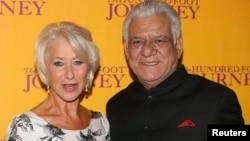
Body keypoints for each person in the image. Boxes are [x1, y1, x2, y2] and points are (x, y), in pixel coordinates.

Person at [106, 0, 244, 141]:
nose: (147, 50)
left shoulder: (217, 100)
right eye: (137, 41)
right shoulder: (116, 106)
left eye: (159, 40)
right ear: (127, 50)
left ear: (178, 46)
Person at [4, 21, 110, 141]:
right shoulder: (25, 129)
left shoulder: (100, 123)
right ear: (45, 69)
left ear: (90, 67)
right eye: (58, 63)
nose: (69, 74)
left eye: (78, 62)